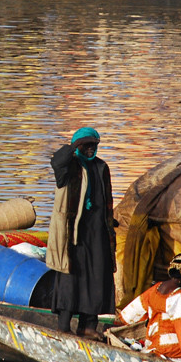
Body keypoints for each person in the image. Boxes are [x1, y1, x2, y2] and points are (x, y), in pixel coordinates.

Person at [45, 127, 116, 339]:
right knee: (70, 276)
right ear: (77, 146)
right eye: (86, 145)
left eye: (93, 145)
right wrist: (73, 147)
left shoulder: (101, 167)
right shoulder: (69, 166)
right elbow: (56, 161)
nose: (90, 149)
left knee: (97, 276)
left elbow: (106, 200)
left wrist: (110, 225)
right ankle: (64, 326)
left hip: (97, 232)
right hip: (72, 231)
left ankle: (88, 326)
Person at [120, 253, 181, 360]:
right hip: (171, 350)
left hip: (151, 345)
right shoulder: (180, 295)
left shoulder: (154, 289)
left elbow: (129, 315)